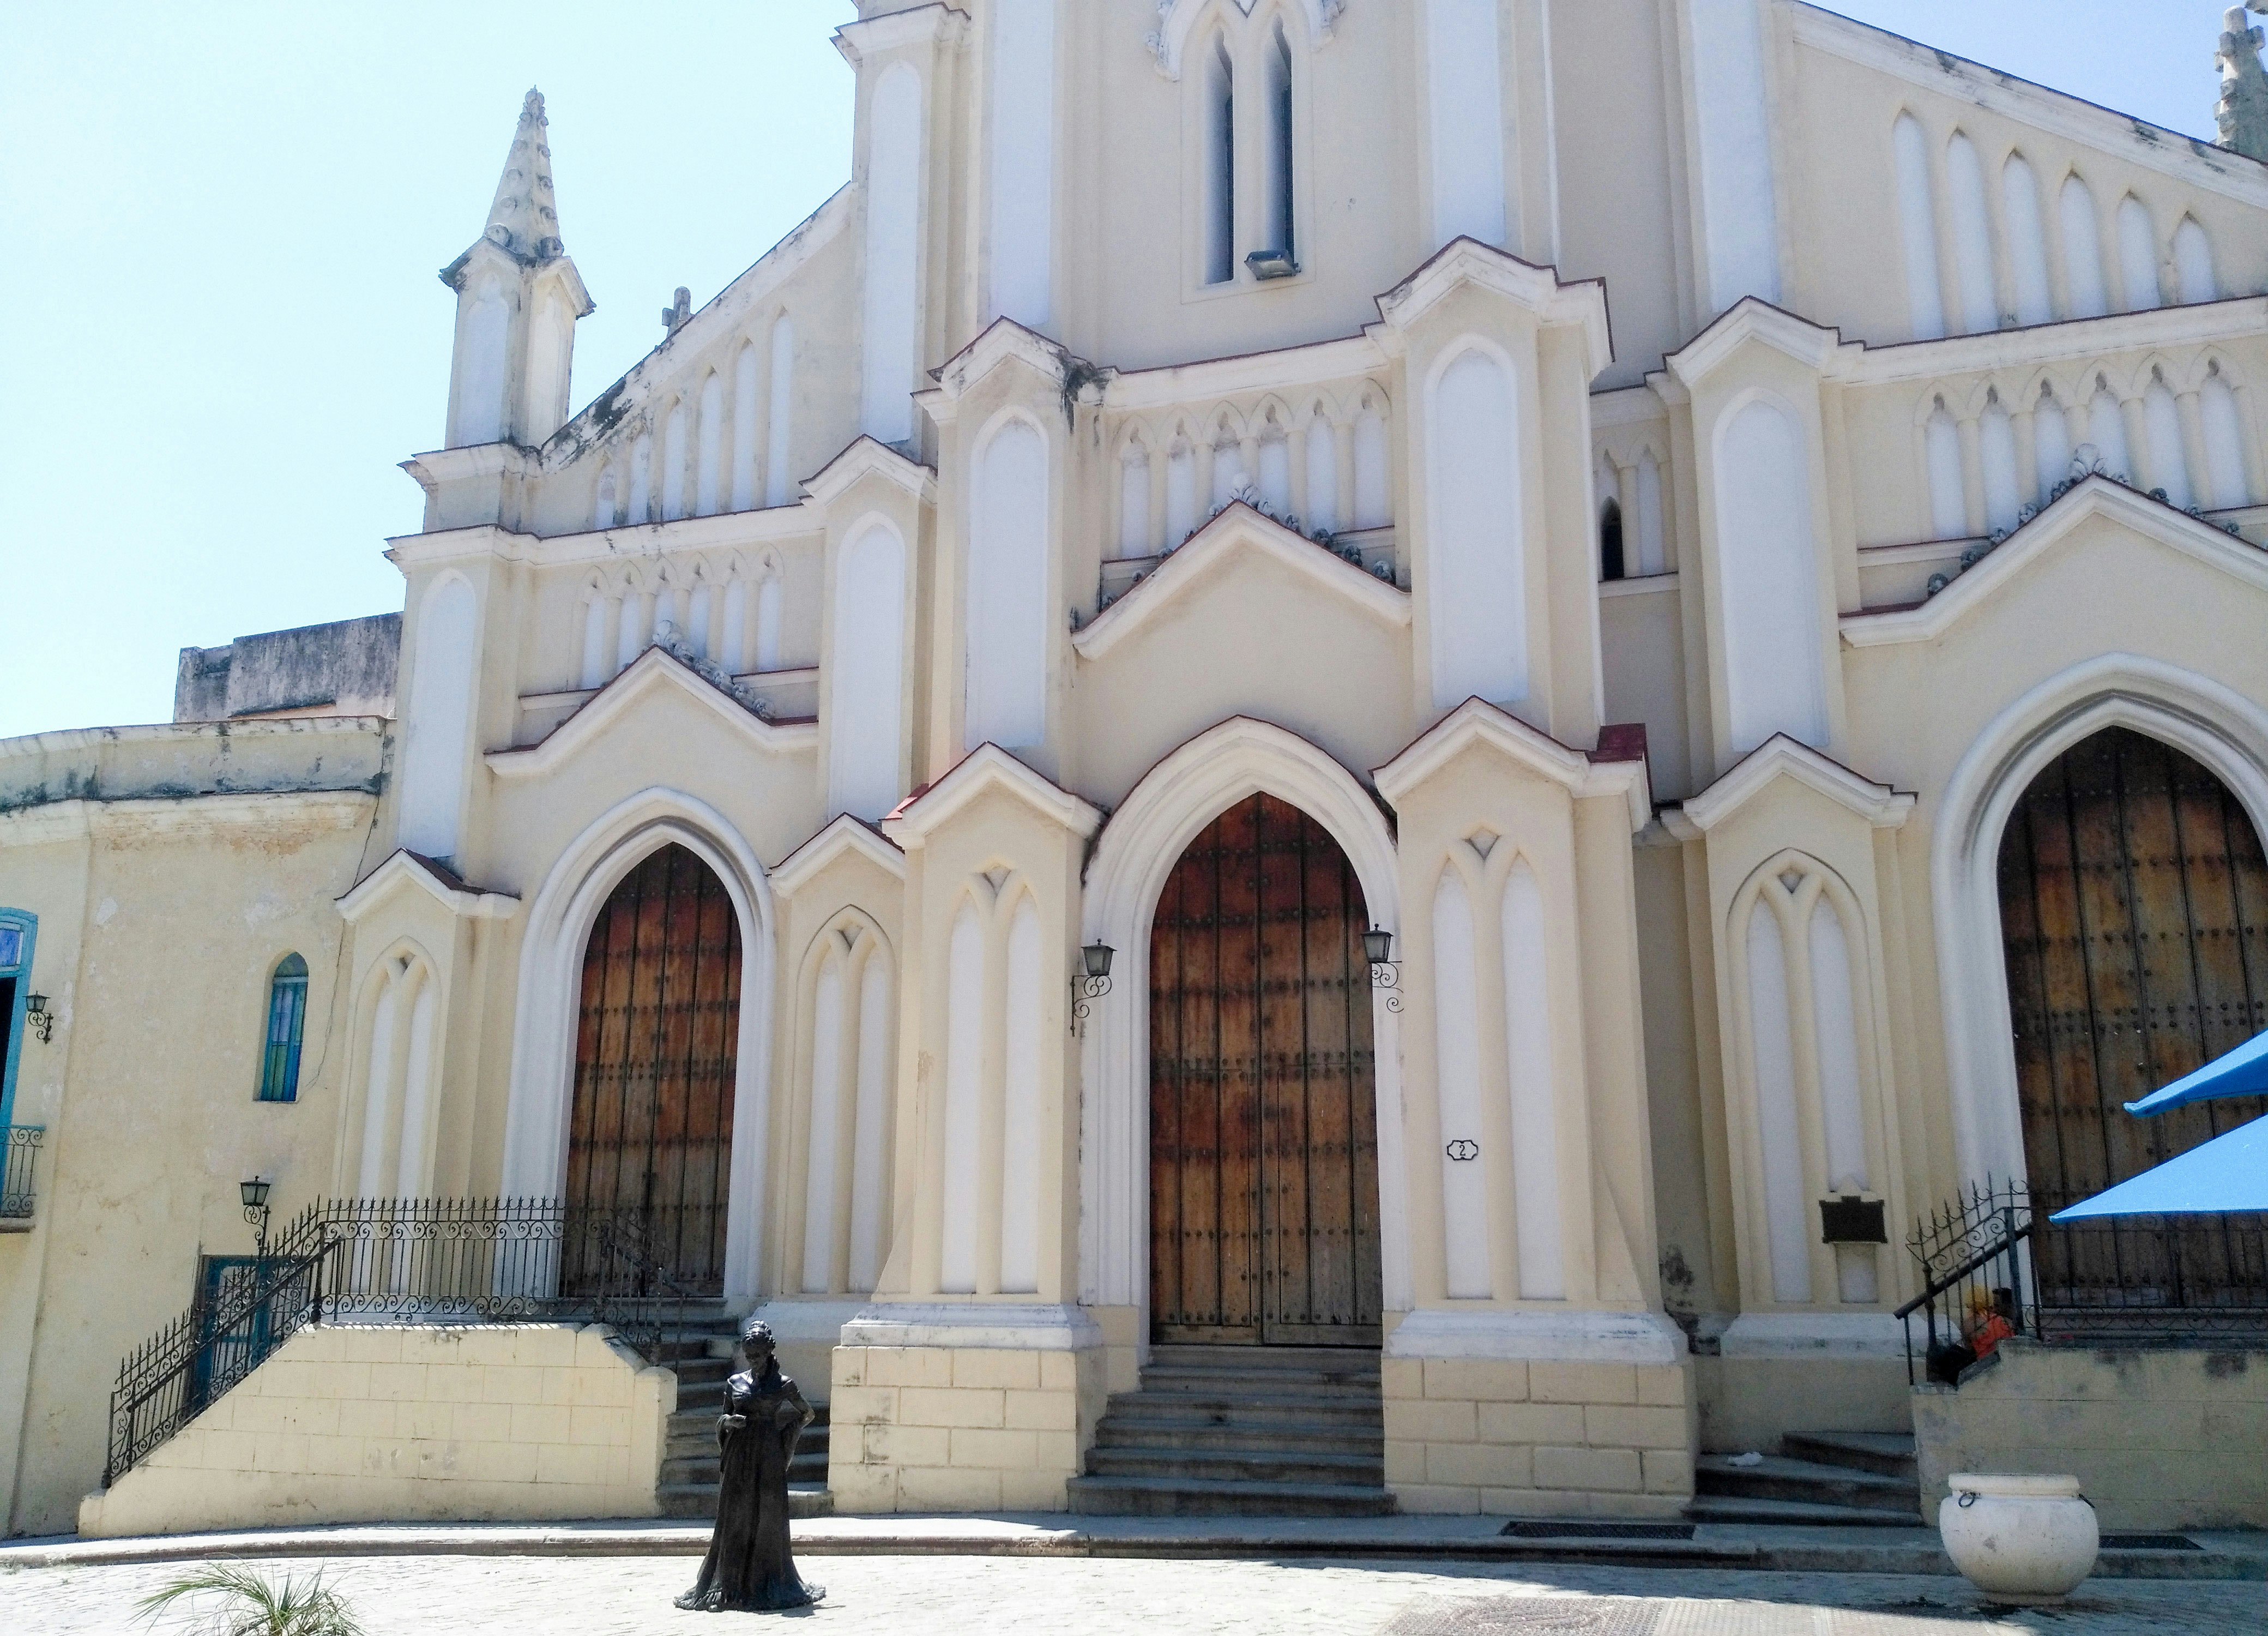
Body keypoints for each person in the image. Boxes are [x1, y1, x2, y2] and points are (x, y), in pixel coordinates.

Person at [674, 1318, 823, 1613]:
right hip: (739, 1455)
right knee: (735, 1516)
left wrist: (786, 1436)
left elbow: (807, 1414)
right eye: (749, 1355)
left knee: (767, 1516)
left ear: (769, 1352)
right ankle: (728, 1586)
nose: (753, 1360)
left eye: (758, 1355)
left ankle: (765, 1582)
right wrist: (729, 1422)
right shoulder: (735, 1383)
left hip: (768, 1455)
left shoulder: (783, 1384)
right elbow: (723, 1417)